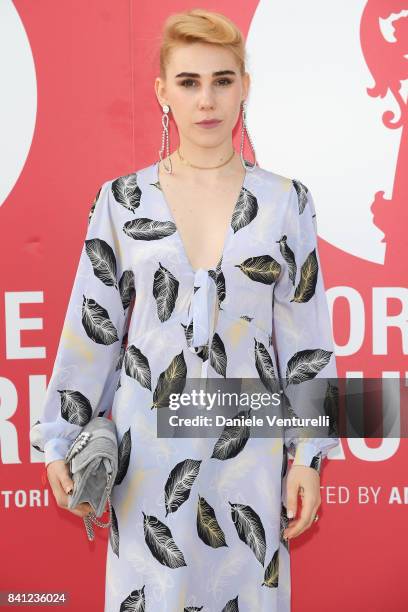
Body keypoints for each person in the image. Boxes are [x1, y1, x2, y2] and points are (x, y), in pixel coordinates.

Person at [30, 8, 339, 611]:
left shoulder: (285, 202)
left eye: (223, 80)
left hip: (250, 455)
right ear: (162, 93)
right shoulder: (121, 202)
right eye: (189, 82)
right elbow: (90, 329)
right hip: (146, 457)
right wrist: (60, 437)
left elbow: (307, 344)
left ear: (244, 87)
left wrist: (308, 459)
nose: (207, 100)